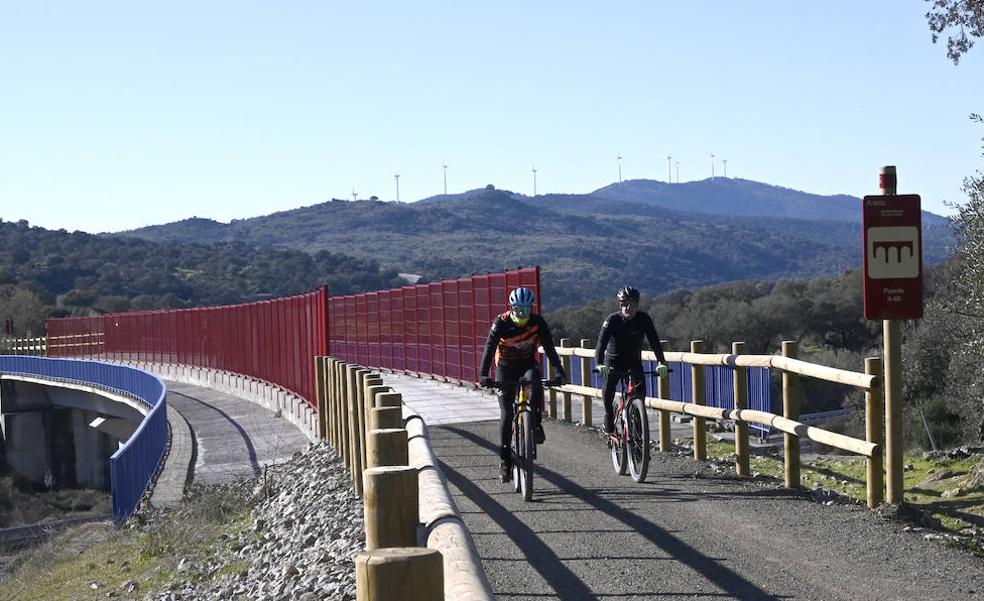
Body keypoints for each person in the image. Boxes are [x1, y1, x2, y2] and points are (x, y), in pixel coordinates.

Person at [479, 286, 567, 483]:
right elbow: (488, 348)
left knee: (534, 383)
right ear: (511, 308)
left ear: (531, 309)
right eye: (518, 309)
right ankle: (505, 463)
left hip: (527, 364)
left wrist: (560, 373)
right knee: (507, 413)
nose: (522, 313)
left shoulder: (537, 323)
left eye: (526, 309)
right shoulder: (500, 323)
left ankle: (535, 424)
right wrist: (483, 375)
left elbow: (550, 350)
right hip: (505, 366)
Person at [594, 286, 669, 439]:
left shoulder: (644, 319)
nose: (628, 308)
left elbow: (654, 342)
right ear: (620, 305)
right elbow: (601, 344)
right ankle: (609, 415)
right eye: (624, 304)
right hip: (613, 363)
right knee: (608, 390)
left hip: (634, 363)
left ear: (637, 305)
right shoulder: (612, 320)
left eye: (632, 304)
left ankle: (638, 440)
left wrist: (662, 362)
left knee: (639, 397)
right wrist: (599, 363)